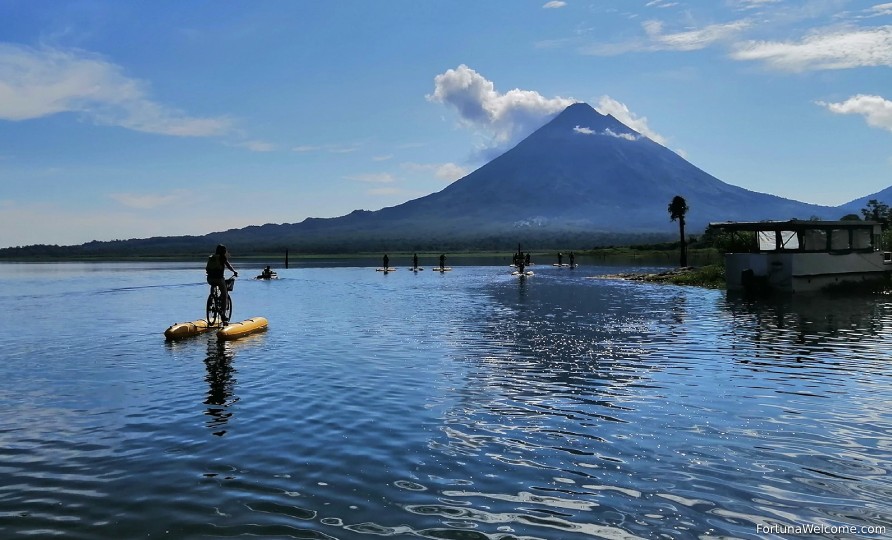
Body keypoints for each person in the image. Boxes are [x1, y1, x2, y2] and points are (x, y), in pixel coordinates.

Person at [206, 244, 238, 324]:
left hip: (209, 279)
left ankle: (212, 298)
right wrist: (234, 271)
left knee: (213, 285)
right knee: (224, 295)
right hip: (219, 279)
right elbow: (229, 266)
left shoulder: (212, 257)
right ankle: (223, 315)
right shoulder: (222, 258)